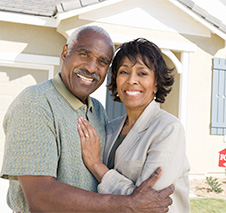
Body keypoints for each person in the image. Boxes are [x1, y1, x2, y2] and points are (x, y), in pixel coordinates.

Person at [1, 26, 174, 212]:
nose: (91, 67)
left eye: (102, 61)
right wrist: (129, 204)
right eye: (84, 54)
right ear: (65, 52)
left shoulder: (97, 110)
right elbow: (40, 197)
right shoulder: (35, 104)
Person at [77, 38, 190, 212]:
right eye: (124, 72)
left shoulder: (168, 129)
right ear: (116, 81)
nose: (131, 80)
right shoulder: (111, 127)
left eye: (142, 73)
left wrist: (96, 166)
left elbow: (149, 203)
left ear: (156, 83)